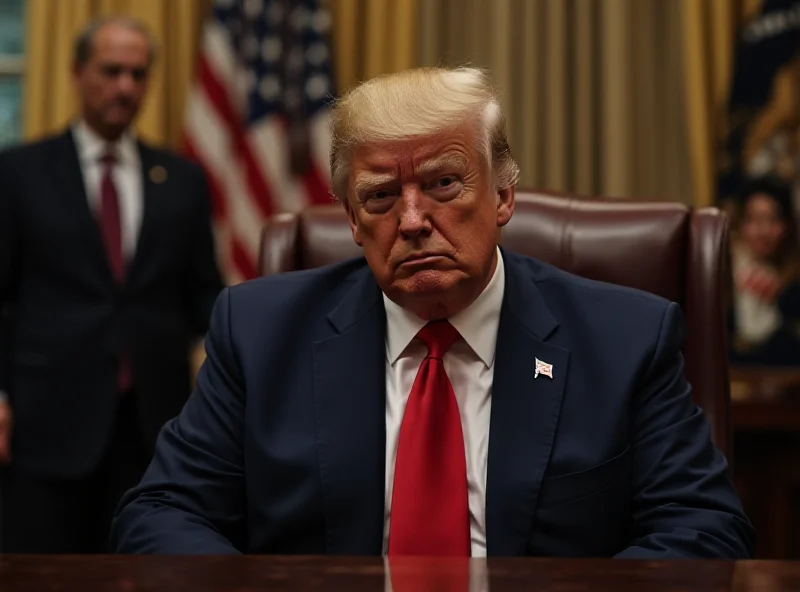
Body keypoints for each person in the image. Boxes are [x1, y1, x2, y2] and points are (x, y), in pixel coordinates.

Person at [112, 66, 754, 558]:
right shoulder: (260, 332)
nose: (413, 220)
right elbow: (162, 514)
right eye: (382, 196)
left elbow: (704, 527)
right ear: (353, 220)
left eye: (444, 184)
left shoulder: (627, 338)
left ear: (504, 194)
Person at [0, 15, 224, 553]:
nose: (125, 86)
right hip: (44, 426)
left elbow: (206, 299)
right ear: (78, 73)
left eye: (138, 74)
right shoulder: (18, 173)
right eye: (111, 71)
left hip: (155, 430)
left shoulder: (182, 179)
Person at [729, 175, 800, 365]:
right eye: (753, 220)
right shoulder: (724, 269)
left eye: (772, 220)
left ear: (787, 225)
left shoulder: (793, 279)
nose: (763, 231)